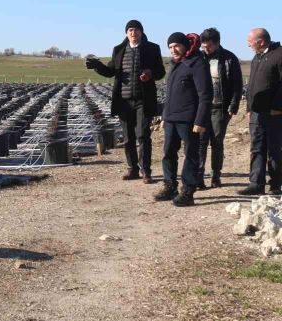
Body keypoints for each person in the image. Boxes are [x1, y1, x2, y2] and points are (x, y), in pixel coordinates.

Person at [85, 20, 165, 183]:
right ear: (126, 33)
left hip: (143, 100)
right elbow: (110, 71)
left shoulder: (152, 48)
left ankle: (146, 171)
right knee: (128, 138)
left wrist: (150, 73)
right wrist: (97, 65)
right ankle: (132, 169)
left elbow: (160, 72)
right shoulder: (119, 50)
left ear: (141, 32)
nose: (133, 33)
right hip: (124, 101)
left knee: (143, 136)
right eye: (130, 30)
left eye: (136, 30)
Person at [154, 32, 212, 206]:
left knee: (191, 155)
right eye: (170, 47)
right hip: (171, 118)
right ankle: (170, 186)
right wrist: (164, 116)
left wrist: (200, 120)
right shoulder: (175, 64)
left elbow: (205, 94)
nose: (173, 50)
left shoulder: (197, 63)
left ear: (185, 46)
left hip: (189, 119)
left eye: (176, 46)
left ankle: (188, 191)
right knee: (168, 153)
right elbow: (170, 94)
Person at [239, 28, 282, 196]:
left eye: (250, 41)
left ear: (261, 41)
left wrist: (278, 107)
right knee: (256, 148)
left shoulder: (279, 55)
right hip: (256, 113)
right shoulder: (257, 57)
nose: (248, 44)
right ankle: (256, 183)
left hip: (274, 114)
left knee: (274, 149)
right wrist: (249, 107)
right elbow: (252, 85)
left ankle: (276, 185)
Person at [198, 28, 243, 189]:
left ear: (217, 43)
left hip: (220, 108)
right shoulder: (198, 58)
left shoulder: (229, 58)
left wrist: (233, 105)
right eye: (203, 46)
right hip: (201, 108)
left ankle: (215, 175)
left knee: (217, 142)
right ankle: (198, 176)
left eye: (209, 46)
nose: (206, 49)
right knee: (201, 142)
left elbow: (237, 84)